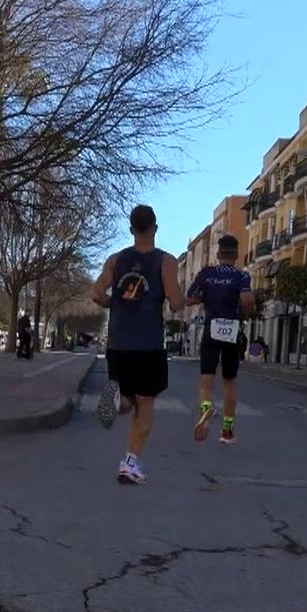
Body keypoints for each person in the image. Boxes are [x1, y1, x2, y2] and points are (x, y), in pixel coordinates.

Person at [93, 204, 183, 484]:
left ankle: (119, 397)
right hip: (148, 344)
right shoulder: (166, 261)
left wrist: (116, 304)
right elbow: (176, 302)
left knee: (129, 399)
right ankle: (130, 463)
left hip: (118, 341)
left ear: (132, 230)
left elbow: (96, 293)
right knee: (145, 404)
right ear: (155, 228)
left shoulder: (115, 260)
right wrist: (174, 302)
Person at [185, 235, 255, 444]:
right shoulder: (241, 276)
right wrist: (246, 313)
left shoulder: (207, 274)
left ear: (218, 254)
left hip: (211, 326)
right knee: (229, 382)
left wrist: (205, 297)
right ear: (235, 255)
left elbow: (190, 298)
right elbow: (247, 299)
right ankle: (227, 431)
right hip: (232, 329)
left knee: (206, 378)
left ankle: (207, 407)